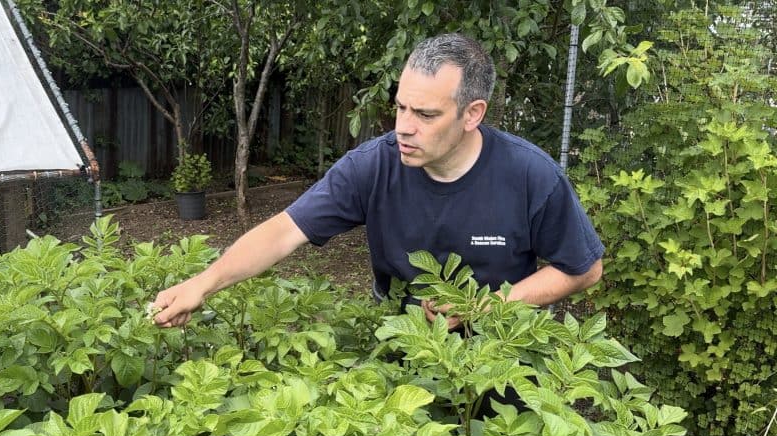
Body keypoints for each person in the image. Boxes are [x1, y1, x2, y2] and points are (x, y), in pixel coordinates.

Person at [151, 33, 603, 333]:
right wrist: (204, 283)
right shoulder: (374, 165)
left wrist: (488, 306)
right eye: (401, 107)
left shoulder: (530, 174)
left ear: (473, 114)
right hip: (401, 343)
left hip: (502, 351)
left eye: (425, 115)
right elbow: (283, 231)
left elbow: (584, 269)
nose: (404, 127)